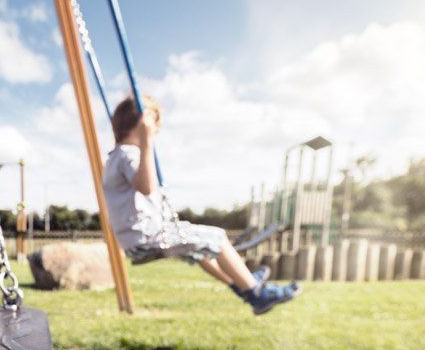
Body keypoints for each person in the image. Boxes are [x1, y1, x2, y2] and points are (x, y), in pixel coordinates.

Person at [102, 95, 300, 315]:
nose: (154, 134)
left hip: (136, 240)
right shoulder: (129, 155)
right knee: (218, 238)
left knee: (203, 252)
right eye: (153, 129)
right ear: (141, 126)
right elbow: (146, 186)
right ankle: (256, 293)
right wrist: (147, 142)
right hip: (149, 237)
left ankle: (241, 285)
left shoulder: (113, 159)